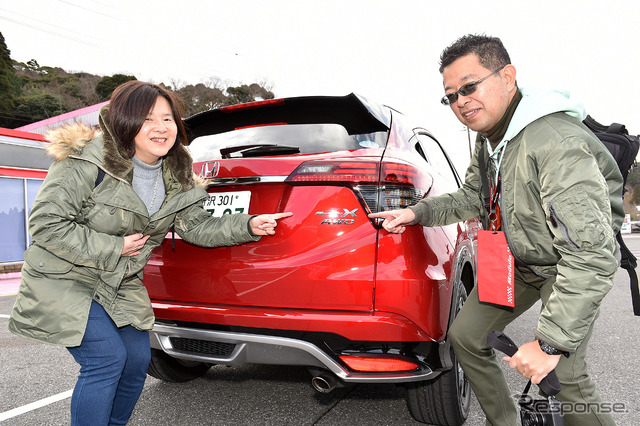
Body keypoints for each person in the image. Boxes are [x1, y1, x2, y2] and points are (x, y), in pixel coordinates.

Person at [369, 34, 622, 425]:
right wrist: (416, 213)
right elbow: (472, 196)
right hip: (517, 261)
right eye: (450, 96)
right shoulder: (490, 141)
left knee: (562, 374)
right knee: (466, 338)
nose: (460, 101)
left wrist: (550, 342)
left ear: (508, 76)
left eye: (470, 87)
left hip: (566, 266)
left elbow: (591, 255)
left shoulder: (555, 141)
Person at [8, 80, 292, 425]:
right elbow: (46, 224)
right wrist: (114, 246)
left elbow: (197, 227)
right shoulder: (86, 159)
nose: (160, 128)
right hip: (66, 276)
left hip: (121, 281)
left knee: (136, 361)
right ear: (124, 122)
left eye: (167, 119)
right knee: (106, 359)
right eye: (146, 119)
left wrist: (248, 225)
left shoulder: (177, 174)